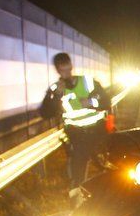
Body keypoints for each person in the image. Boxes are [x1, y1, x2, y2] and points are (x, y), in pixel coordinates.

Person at [40, 52, 111, 203]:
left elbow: (106, 101)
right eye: (62, 71)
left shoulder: (87, 82)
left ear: (71, 66)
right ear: (58, 70)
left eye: (68, 69)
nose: (66, 73)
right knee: (77, 173)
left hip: (97, 132)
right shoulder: (56, 89)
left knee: (107, 165)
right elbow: (45, 113)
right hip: (77, 135)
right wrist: (55, 96)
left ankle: (110, 198)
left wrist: (91, 103)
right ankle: (78, 205)